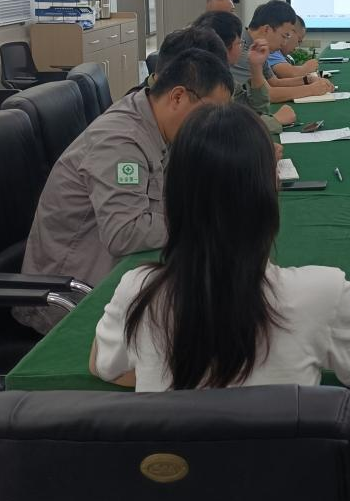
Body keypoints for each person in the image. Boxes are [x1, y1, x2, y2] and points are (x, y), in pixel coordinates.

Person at [91, 102, 350, 391]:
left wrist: (172, 375)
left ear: (173, 196)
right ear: (269, 191)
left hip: (174, 436)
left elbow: (101, 365)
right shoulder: (325, 292)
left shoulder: (137, 290)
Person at [17, 49, 234, 333]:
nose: (212, 126)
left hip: (115, 276)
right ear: (178, 97)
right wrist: (203, 222)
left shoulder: (156, 124)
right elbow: (126, 231)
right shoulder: (121, 141)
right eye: (210, 114)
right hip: (71, 299)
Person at [232, 0, 333, 103]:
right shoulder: (240, 50)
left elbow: (274, 82)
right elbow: (268, 94)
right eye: (284, 36)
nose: (284, 43)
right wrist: (311, 89)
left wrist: (307, 79)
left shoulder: (258, 46)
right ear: (267, 29)